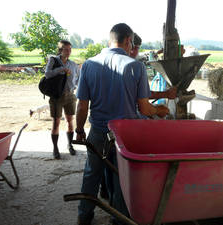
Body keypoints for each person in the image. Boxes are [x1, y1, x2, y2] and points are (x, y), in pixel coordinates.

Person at [75, 23, 169, 225]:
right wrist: (159, 110)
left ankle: (84, 215)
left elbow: (82, 106)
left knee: (92, 173)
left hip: (98, 131)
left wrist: (79, 130)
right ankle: (118, 220)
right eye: (132, 43)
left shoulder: (89, 64)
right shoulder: (135, 66)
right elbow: (144, 109)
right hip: (125, 136)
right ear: (128, 41)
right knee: (121, 179)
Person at [45, 40, 80, 159]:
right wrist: (61, 69)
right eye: (66, 49)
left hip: (70, 96)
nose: (69, 52)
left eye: (70, 49)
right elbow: (47, 74)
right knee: (56, 123)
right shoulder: (53, 60)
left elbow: (78, 79)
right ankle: (55, 148)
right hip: (56, 97)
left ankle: (70, 144)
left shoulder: (74, 64)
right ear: (60, 50)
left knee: (70, 121)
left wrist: (75, 88)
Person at [130, 33, 177, 101]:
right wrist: (166, 94)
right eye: (135, 48)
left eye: (136, 48)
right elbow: (142, 95)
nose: (133, 52)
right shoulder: (136, 67)